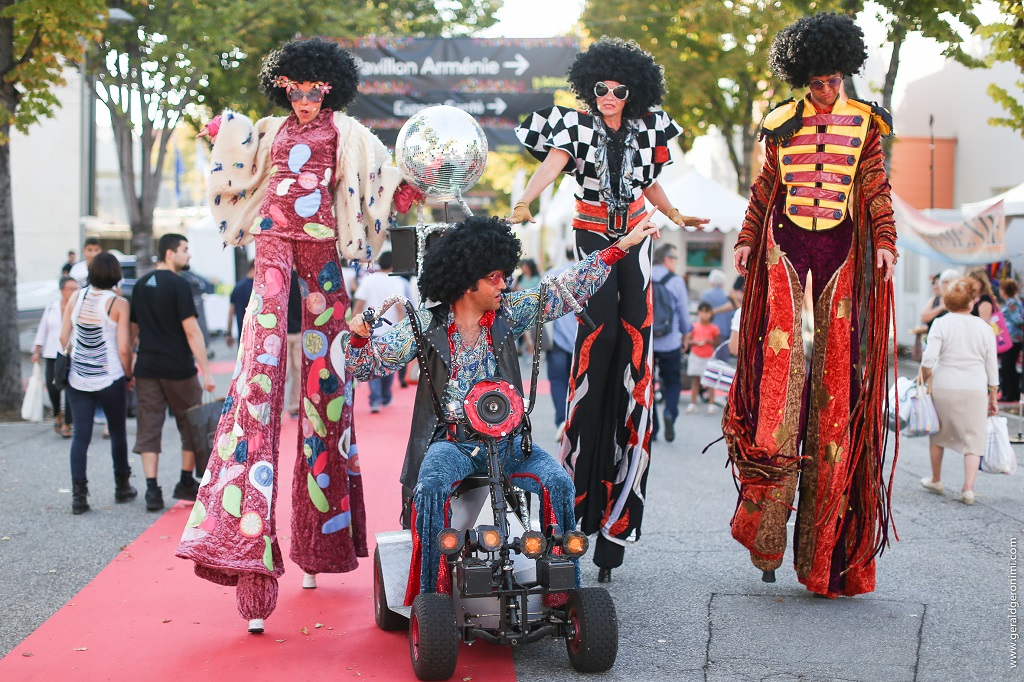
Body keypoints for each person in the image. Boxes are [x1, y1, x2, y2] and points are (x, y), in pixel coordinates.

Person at [176, 37, 419, 633]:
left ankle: (318, 548)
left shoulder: (350, 134)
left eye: (315, 90)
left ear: (329, 88)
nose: (306, 100)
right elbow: (238, 162)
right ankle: (246, 557)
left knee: (326, 393)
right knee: (257, 379)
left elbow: (381, 183)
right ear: (283, 87)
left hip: (326, 253)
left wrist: (411, 186)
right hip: (274, 243)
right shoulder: (268, 129)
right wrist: (220, 135)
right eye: (296, 89)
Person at [347, 213, 661, 597]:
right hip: (452, 443)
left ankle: (564, 592)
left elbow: (564, 289)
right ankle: (432, 597)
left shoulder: (509, 313)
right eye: (493, 277)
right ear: (466, 282)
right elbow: (364, 366)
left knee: (559, 482)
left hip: (511, 442)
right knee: (430, 489)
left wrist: (620, 248)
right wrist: (359, 339)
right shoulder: (424, 325)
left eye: (504, 275)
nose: (504, 283)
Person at [512, 37, 708, 583]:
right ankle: (582, 461)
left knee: (633, 342)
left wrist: (677, 214)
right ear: (590, 88)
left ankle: (622, 499)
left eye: (619, 90)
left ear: (633, 92)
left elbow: (650, 181)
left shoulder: (648, 129)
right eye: (601, 89)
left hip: (639, 234)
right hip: (594, 237)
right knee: (597, 339)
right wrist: (524, 199)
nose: (609, 97)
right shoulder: (574, 127)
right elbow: (553, 165)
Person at [725, 13, 898, 598]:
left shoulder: (868, 124)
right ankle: (765, 532)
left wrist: (888, 246)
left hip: (843, 250)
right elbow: (764, 190)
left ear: (845, 74)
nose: (825, 91)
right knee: (779, 387)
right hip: (785, 247)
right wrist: (747, 239)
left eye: (833, 81)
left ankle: (825, 557)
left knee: (834, 394)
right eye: (815, 82)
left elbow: (875, 188)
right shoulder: (780, 123)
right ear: (802, 78)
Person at [131, 233, 216, 512]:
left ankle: (152, 491)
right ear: (170, 253)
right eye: (185, 249)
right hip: (178, 368)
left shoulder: (141, 285)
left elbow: (133, 331)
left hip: (146, 367)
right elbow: (192, 331)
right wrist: (207, 372)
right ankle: (184, 481)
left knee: (149, 428)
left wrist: (130, 363)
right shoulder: (180, 285)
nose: (188, 255)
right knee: (192, 424)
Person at [58, 253, 135, 514]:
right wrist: (128, 375)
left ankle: (79, 497)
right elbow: (124, 348)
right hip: (110, 377)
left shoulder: (76, 296)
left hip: (77, 378)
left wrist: (80, 353)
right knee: (117, 432)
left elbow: (62, 336)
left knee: (80, 437)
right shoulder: (118, 303)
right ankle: (122, 486)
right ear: (116, 274)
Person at [919, 278, 999, 505]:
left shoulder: (942, 323)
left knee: (938, 435)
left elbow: (929, 358)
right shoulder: (984, 327)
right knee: (974, 438)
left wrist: (923, 381)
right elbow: (991, 365)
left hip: (944, 385)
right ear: (971, 302)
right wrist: (992, 396)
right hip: (975, 388)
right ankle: (968, 488)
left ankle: (936, 479)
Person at [351, 251, 407, 413]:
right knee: (388, 365)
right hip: (391, 330)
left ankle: (375, 400)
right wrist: (402, 327)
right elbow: (399, 307)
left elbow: (359, 302)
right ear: (392, 265)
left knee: (371, 365)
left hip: (371, 329)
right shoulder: (397, 282)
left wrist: (355, 321)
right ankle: (385, 395)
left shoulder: (369, 280)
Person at [651, 243, 690, 441]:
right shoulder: (676, 282)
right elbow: (683, 314)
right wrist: (686, 335)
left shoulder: (645, 276)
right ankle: (670, 412)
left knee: (648, 384)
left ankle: (654, 426)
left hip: (648, 343)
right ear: (667, 259)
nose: (676, 262)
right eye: (674, 258)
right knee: (673, 381)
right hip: (670, 341)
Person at [33, 276, 79, 437]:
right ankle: (57, 413)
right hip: (53, 353)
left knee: (70, 387)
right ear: (61, 291)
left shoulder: (79, 308)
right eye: (70, 289)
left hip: (72, 354)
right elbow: (43, 329)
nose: (74, 292)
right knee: (52, 387)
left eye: (76, 289)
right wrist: (37, 350)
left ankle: (67, 423)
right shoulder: (51, 307)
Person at [544, 247, 579, 433]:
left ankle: (560, 421)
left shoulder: (551, 274)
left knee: (558, 381)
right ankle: (576, 420)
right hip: (581, 338)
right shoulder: (587, 274)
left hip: (556, 340)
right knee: (580, 382)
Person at [684, 302, 719, 415]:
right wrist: (694, 342)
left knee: (710, 382)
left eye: (707, 311)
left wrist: (710, 341)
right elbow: (687, 340)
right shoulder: (694, 326)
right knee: (695, 381)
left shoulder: (714, 328)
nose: (704, 314)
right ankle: (693, 403)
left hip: (709, 357)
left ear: (711, 313)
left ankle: (711, 404)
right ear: (698, 312)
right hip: (695, 356)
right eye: (702, 311)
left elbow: (718, 342)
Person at [283, 268, 304, 417]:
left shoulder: (281, 276)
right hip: (298, 330)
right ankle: (295, 404)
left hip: (282, 332)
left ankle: (278, 407)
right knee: (298, 369)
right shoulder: (301, 280)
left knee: (281, 371)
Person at [998, 278, 1023, 402]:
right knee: (1008, 366)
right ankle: (1011, 393)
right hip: (1011, 338)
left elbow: (1017, 319)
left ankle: (1010, 394)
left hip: (1012, 339)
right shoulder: (1012, 301)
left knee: (1008, 366)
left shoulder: (1011, 303)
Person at [226, 261, 255, 348]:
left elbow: (231, 313)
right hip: (258, 335)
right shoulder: (259, 288)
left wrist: (228, 333)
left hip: (243, 336)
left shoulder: (238, 287)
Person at [699, 269, 734, 341]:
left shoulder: (706, 295)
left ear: (711, 281)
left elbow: (702, 313)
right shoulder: (728, 295)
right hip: (726, 331)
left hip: (710, 332)